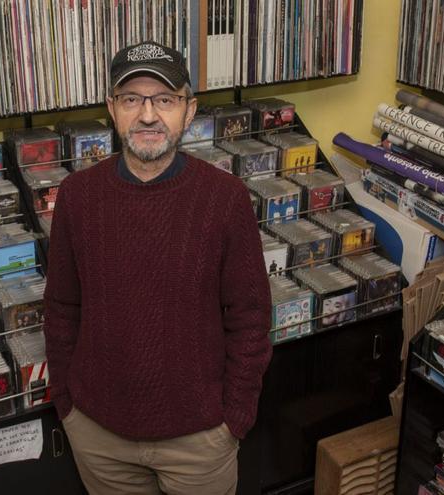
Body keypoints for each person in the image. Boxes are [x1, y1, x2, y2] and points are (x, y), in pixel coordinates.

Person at [43, 41, 272, 495]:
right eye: (132, 99)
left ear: (189, 110)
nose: (148, 115)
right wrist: (67, 407)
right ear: (112, 109)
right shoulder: (77, 196)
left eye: (165, 99)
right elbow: (62, 308)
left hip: (200, 442)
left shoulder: (224, 199)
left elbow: (250, 319)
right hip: (99, 437)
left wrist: (234, 420)